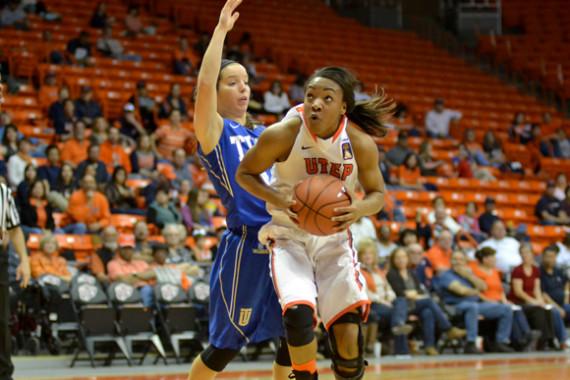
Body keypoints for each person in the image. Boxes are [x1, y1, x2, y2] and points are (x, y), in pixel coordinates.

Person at [237, 64, 393, 378]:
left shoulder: (359, 142)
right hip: (288, 233)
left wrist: (359, 209)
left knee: (348, 340)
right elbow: (245, 174)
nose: (316, 103)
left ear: (343, 106)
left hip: (334, 240)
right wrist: (279, 198)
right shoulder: (285, 132)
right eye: (310, 96)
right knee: (297, 314)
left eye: (326, 97)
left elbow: (378, 194)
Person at [188, 3, 291, 378]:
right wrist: (220, 32)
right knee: (224, 348)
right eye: (232, 82)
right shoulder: (216, 132)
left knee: (293, 334)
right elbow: (202, 84)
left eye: (246, 81)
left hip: (283, 242)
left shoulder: (264, 135)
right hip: (246, 246)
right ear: (216, 94)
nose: (244, 88)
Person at [0, 76, 31, 380]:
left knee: (1, 323)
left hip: (1, 258)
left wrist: (24, 259)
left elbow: (15, 227)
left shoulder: (3, 191)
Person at [387, 247, 466, 355]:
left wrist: (413, 294)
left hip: (415, 303)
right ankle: (448, 329)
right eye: (398, 257)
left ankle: (429, 346)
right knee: (428, 301)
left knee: (427, 312)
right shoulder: (391, 274)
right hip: (401, 306)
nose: (401, 260)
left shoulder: (411, 273)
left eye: (403, 257)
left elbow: (418, 290)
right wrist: (412, 294)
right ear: (393, 260)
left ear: (407, 259)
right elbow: (399, 293)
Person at [436, 250, 514, 354]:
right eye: (454, 259)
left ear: (465, 262)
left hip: (476, 304)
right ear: (450, 261)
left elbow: (484, 287)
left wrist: (468, 276)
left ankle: (501, 342)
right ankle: (471, 343)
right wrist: (476, 291)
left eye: (460, 259)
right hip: (455, 306)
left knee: (505, 309)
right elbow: (462, 291)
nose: (457, 262)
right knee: (472, 307)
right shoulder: (446, 275)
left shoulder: (468, 274)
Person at [358, 240, 411, 356]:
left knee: (401, 301)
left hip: (386, 303)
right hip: (373, 304)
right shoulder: (359, 272)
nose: (368, 256)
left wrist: (390, 299)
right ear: (360, 256)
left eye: (370, 253)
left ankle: (398, 326)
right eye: (365, 254)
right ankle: (402, 351)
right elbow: (364, 293)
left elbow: (389, 289)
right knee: (398, 314)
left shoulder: (378, 271)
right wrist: (383, 301)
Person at [508, 243, 562, 350]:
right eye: (522, 253)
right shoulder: (517, 270)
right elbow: (518, 292)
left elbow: (537, 289)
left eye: (527, 253)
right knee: (538, 311)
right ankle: (544, 341)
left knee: (547, 309)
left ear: (532, 254)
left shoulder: (535, 270)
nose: (525, 255)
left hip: (532, 301)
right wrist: (533, 302)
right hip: (520, 301)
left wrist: (540, 301)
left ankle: (551, 340)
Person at [541, 245, 570, 326]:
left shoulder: (558, 270)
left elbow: (567, 283)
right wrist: (557, 307)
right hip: (551, 304)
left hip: (564, 303)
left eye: (553, 257)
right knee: (556, 312)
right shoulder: (539, 273)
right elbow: (543, 294)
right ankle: (563, 338)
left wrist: (566, 296)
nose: (550, 259)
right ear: (543, 257)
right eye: (548, 256)